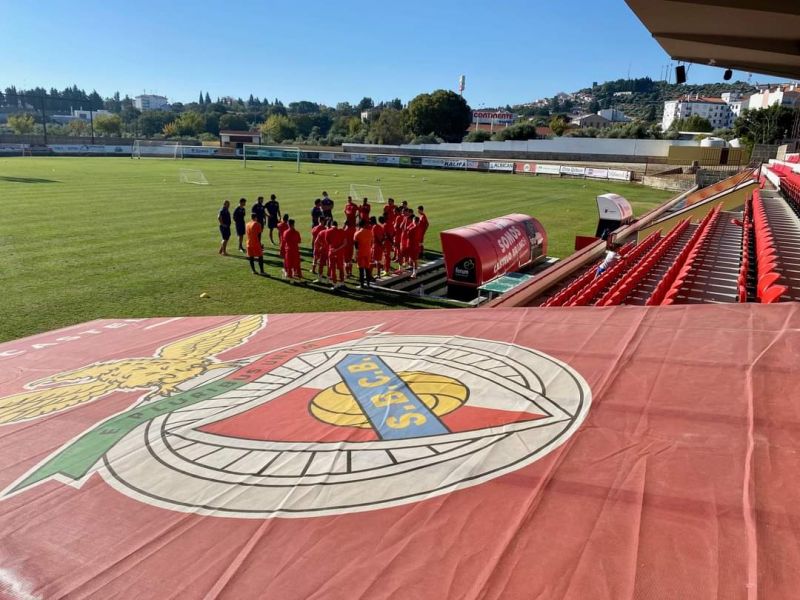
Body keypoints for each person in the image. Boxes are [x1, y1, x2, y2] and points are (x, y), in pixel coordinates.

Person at [323, 221, 346, 288]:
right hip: (340, 253)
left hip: (332, 252)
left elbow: (328, 242)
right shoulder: (342, 231)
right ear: (337, 225)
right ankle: (342, 282)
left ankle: (335, 284)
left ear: (331, 225)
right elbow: (345, 243)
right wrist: (338, 249)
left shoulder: (328, 231)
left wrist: (335, 249)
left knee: (333, 269)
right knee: (341, 268)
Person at [354, 219, 374, 288]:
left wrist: (356, 254)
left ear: (359, 225)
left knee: (361, 269)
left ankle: (362, 284)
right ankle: (368, 283)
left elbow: (356, 246)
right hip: (368, 252)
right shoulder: (370, 232)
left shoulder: (357, 233)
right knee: (367, 268)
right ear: (365, 225)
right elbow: (371, 242)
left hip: (361, 252)